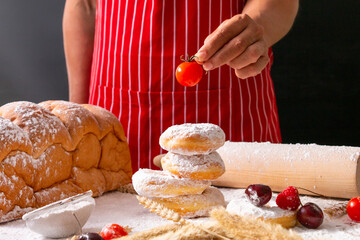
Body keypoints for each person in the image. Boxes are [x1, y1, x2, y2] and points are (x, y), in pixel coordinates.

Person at [63, 0, 299, 172]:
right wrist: (77, 122)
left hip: (229, 110)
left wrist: (254, 30)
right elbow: (83, 5)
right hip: (114, 115)